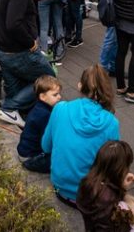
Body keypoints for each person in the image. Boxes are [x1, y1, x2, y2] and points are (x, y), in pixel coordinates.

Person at [42, 64, 120, 206]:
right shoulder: (111, 123)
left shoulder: (60, 108)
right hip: (89, 195)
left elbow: (45, 146)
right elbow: (112, 165)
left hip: (60, 188)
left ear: (79, 86)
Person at [0, 0, 56, 126]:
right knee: (49, 80)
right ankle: (9, 108)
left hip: (2, 46)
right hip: (17, 49)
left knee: (15, 86)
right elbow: (14, 23)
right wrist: (30, 42)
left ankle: (16, 113)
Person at [77, 140, 134, 232]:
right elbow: (123, 225)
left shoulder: (87, 182)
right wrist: (124, 192)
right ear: (119, 170)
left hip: (92, 227)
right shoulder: (112, 202)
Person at [18, 75, 63, 173]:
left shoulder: (40, 108)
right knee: (62, 162)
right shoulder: (44, 115)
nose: (59, 97)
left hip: (26, 152)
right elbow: (48, 141)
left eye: (59, 94)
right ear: (42, 96)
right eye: (55, 95)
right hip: (31, 158)